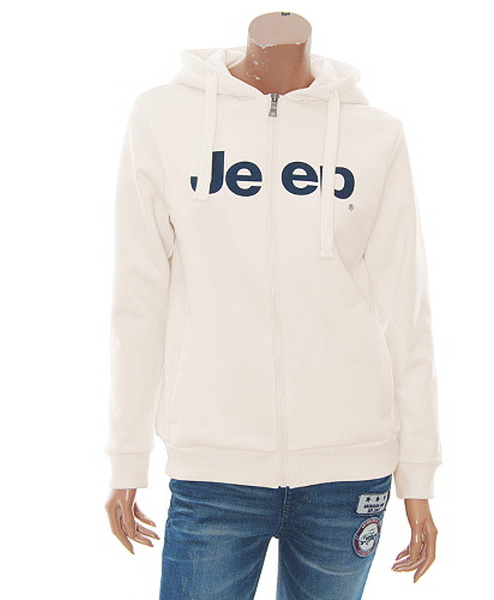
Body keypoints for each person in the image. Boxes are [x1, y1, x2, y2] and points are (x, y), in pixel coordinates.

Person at [104, 11, 442, 599]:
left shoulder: (375, 134)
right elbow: (138, 298)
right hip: (214, 467)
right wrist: (127, 457)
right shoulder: (164, 118)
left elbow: (406, 310)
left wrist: (418, 474)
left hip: (349, 471)